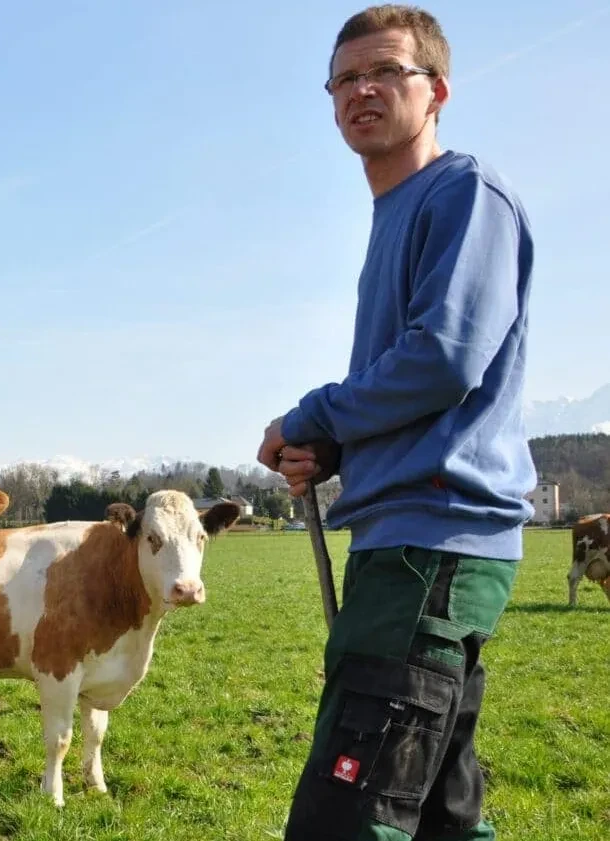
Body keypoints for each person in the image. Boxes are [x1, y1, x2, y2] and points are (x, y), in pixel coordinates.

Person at [256, 5, 536, 840]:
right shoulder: (399, 213)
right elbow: (413, 374)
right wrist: (333, 441)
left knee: (347, 820)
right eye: (344, 79)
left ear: (437, 90)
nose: (360, 90)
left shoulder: (463, 196)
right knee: (445, 818)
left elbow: (443, 359)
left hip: (430, 548)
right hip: (410, 544)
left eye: (385, 72)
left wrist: (314, 413)